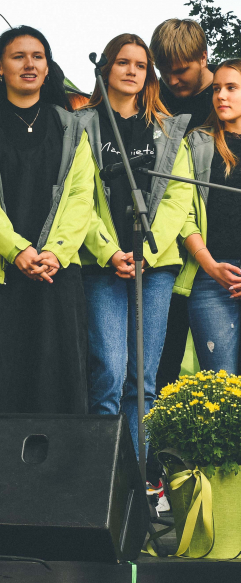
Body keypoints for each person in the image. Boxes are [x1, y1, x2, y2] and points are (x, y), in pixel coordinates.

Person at [0, 27, 95, 414]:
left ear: (49, 67)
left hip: (57, 274)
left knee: (57, 388)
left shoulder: (70, 125)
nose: (30, 64)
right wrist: (16, 248)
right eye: (18, 56)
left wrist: (55, 252)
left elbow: (80, 197)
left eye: (38, 56)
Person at [79, 34, 193, 461]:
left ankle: (138, 477)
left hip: (155, 266)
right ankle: (103, 479)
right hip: (102, 264)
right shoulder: (83, 124)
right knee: (108, 372)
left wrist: (148, 248)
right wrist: (109, 250)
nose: (131, 71)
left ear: (149, 75)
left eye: (140, 65)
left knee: (143, 381)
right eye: (123, 62)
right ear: (106, 67)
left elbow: (179, 198)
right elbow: (77, 198)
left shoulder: (166, 130)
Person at [150, 20, 217, 404]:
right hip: (169, 242)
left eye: (181, 71)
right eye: (164, 71)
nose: (172, 80)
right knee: (164, 360)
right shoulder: (155, 96)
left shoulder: (226, 92)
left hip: (218, 241)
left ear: (203, 57)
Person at [176, 59, 241, 374]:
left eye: (231, 88)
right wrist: (209, 264)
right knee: (221, 386)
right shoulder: (197, 143)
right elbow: (183, 212)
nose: (221, 96)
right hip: (210, 277)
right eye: (216, 88)